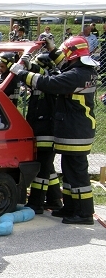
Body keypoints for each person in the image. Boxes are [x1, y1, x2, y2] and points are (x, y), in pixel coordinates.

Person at [11, 36, 97, 225]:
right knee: (69, 172)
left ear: (72, 55)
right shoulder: (82, 71)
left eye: (66, 54)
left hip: (75, 132)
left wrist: (21, 73)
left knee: (77, 175)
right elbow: (64, 68)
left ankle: (84, 214)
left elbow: (50, 83)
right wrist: (52, 49)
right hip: (74, 130)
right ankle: (70, 207)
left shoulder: (76, 76)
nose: (64, 58)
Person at [20, 54, 62, 214]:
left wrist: (30, 68)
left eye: (37, 66)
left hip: (48, 134)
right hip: (39, 132)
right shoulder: (39, 85)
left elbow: (44, 77)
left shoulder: (52, 82)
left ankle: (36, 203)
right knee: (47, 167)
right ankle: (55, 200)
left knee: (42, 169)